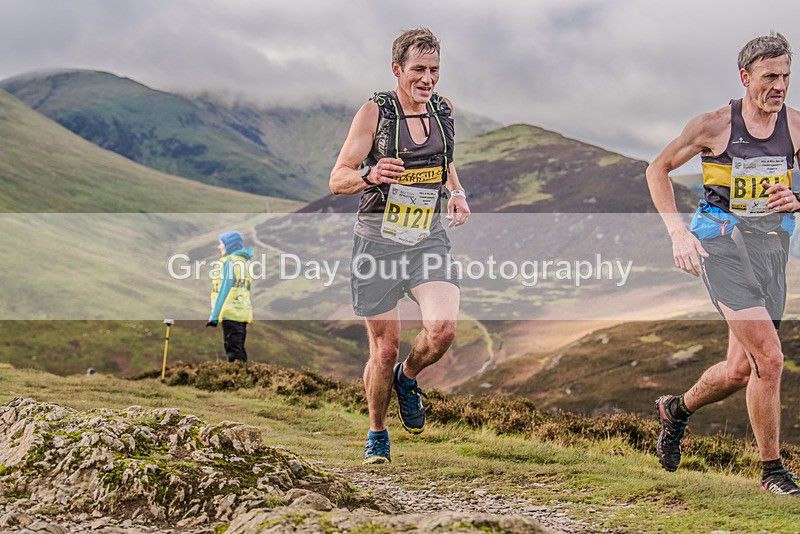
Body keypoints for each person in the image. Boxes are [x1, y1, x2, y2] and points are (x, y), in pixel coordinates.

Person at [646, 32, 800, 495]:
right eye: (770, 76)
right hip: (722, 246)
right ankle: (772, 472)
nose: (780, 86)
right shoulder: (713, 125)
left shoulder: (795, 126)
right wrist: (677, 233)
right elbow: (657, 169)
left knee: (740, 371)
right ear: (745, 76)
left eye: (787, 77)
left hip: (771, 249)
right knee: (770, 361)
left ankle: (675, 410)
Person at [329, 28, 470, 464]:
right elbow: (337, 179)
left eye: (434, 71)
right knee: (384, 348)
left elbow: (444, 164)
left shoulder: (443, 111)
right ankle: (377, 432)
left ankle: (407, 378)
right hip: (378, 242)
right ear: (397, 70)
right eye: (418, 70)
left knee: (443, 329)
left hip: (427, 236)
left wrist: (458, 192)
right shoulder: (375, 113)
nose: (428, 79)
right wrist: (370, 174)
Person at [207, 230, 254, 364]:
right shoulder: (244, 262)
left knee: (233, 351)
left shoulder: (229, 262)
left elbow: (224, 290)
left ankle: (237, 380)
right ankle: (243, 379)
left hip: (230, 312)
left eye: (222, 243)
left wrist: (214, 316)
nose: (219, 246)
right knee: (238, 348)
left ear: (230, 245)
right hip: (242, 312)